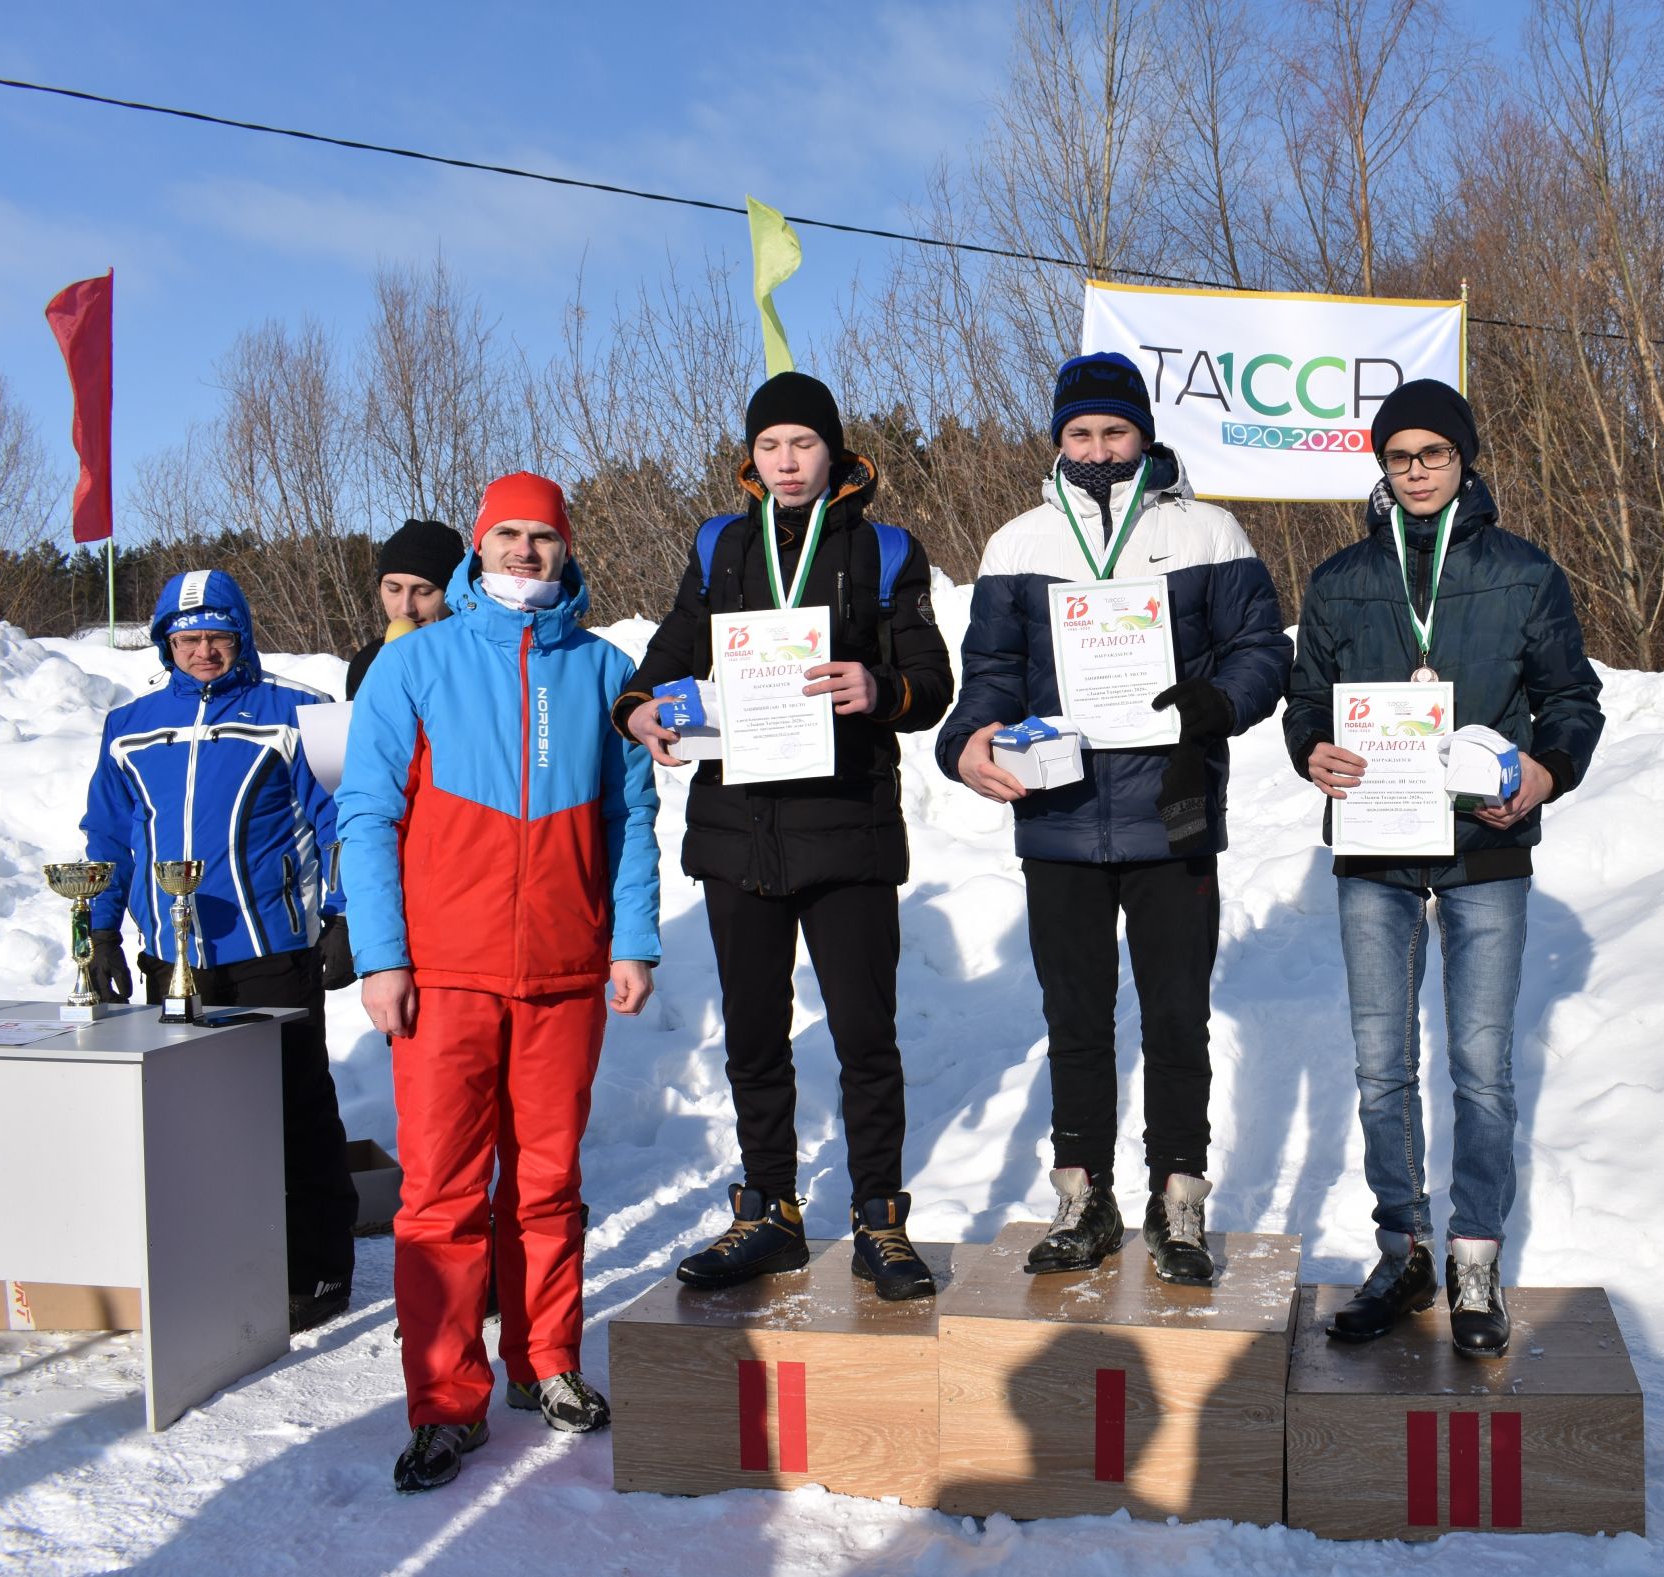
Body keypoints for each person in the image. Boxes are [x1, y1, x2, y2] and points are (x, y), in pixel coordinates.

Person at [936, 351, 1292, 1286]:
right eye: (1080, 433)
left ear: (1144, 435)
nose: (1098, 448)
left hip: (1170, 810)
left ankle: (1179, 1199)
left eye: (1114, 431)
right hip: (1057, 814)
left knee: (1177, 1017)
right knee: (1076, 1018)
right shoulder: (1018, 545)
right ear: (1058, 440)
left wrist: (1217, 703)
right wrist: (968, 740)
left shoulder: (1208, 531)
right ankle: (1083, 1197)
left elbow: (1260, 647)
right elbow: (993, 675)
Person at [337, 471, 661, 1493]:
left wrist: (633, 940)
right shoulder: (417, 663)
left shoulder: (608, 671)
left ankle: (547, 1359)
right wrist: (382, 956)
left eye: (544, 538)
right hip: (444, 974)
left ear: (567, 550)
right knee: (438, 1196)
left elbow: (634, 818)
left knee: (547, 1181)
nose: (526, 552)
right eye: (509, 535)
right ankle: (444, 1400)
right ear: (481, 547)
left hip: (566, 972)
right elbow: (365, 814)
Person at [612, 372, 954, 1301]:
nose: (788, 461)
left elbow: (931, 675)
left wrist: (879, 688)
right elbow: (673, 649)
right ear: (751, 458)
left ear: (834, 452)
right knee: (755, 1038)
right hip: (740, 833)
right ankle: (767, 1210)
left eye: (803, 444)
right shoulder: (721, 542)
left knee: (862, 1035)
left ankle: (881, 1215)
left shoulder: (884, 550)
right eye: (771, 446)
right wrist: (639, 709)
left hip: (846, 828)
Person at [1282, 378, 1604, 1358]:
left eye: (1434, 453)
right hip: (1377, 846)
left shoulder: (1524, 573)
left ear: (1465, 460)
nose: (1417, 470)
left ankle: (1473, 1253)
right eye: (1400, 455)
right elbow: (1307, 700)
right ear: (1381, 465)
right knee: (1383, 1063)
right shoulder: (1340, 580)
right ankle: (1404, 1245)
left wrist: (1549, 769)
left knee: (1479, 1062)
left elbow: (1572, 700)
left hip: (1484, 845)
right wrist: (1311, 751)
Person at [81, 568, 359, 1332]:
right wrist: (100, 928)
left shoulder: (297, 713)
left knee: (295, 1107)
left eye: (218, 636)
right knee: (186, 1117)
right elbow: (108, 835)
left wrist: (345, 916)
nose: (204, 651)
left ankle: (321, 1266)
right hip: (170, 956)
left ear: (242, 635)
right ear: (166, 642)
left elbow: (344, 820)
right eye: (188, 638)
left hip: (270, 947)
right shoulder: (129, 723)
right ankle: (210, 1255)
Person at [344, 518, 467, 699]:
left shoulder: (477, 662)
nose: (406, 608)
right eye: (393, 589)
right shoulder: (365, 664)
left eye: (424, 592)